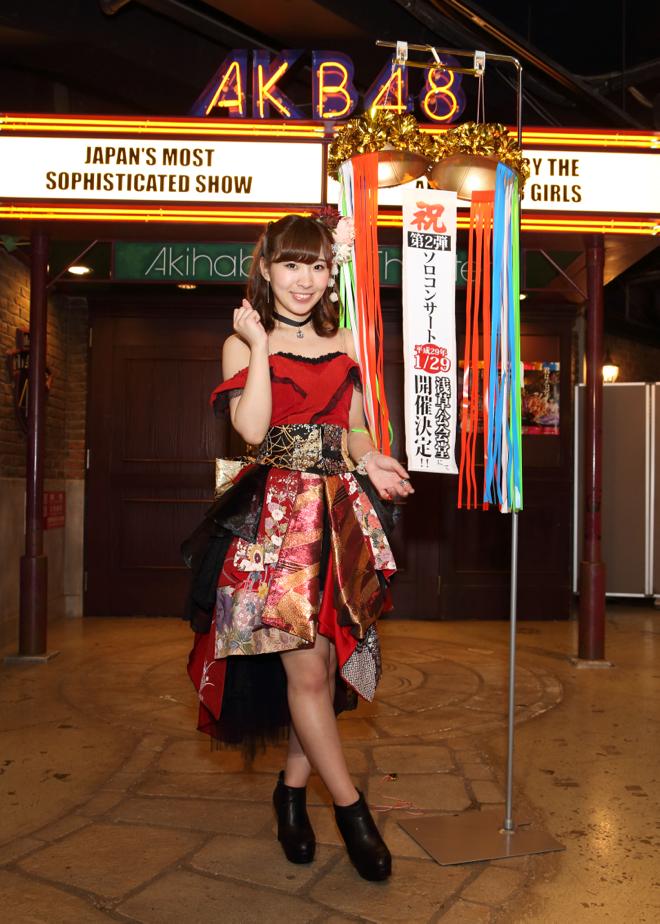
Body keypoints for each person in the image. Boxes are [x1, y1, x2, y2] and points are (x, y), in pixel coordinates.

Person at [183, 213, 414, 882]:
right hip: (275, 523)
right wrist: (259, 345)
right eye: (290, 264)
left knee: (330, 667)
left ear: (329, 273)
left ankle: (291, 793)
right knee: (308, 674)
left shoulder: (347, 341)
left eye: (316, 265)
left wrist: (373, 460)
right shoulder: (241, 342)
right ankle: (351, 810)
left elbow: (356, 429)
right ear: (266, 269)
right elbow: (254, 431)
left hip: (339, 517)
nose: (304, 279)